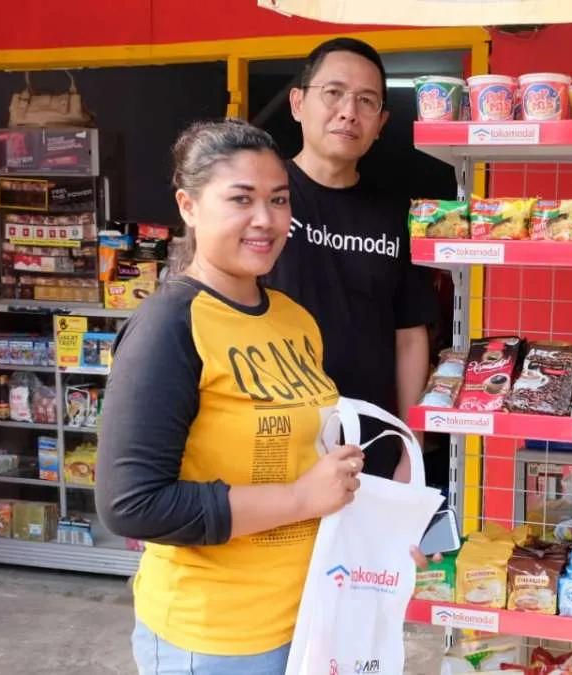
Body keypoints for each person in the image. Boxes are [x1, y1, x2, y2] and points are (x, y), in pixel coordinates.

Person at [95, 118, 426, 675]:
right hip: (215, 638)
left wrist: (372, 536)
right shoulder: (170, 326)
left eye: (279, 200)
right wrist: (301, 498)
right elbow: (131, 504)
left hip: (313, 615)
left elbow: (303, 466)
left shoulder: (294, 321)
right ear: (189, 205)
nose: (266, 220)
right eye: (241, 199)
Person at [263, 37, 439, 482]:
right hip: (271, 434)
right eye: (334, 93)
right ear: (298, 102)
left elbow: (409, 338)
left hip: (371, 443)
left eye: (366, 101)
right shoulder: (262, 198)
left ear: (380, 122)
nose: (348, 111)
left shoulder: (396, 215)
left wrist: (411, 446)